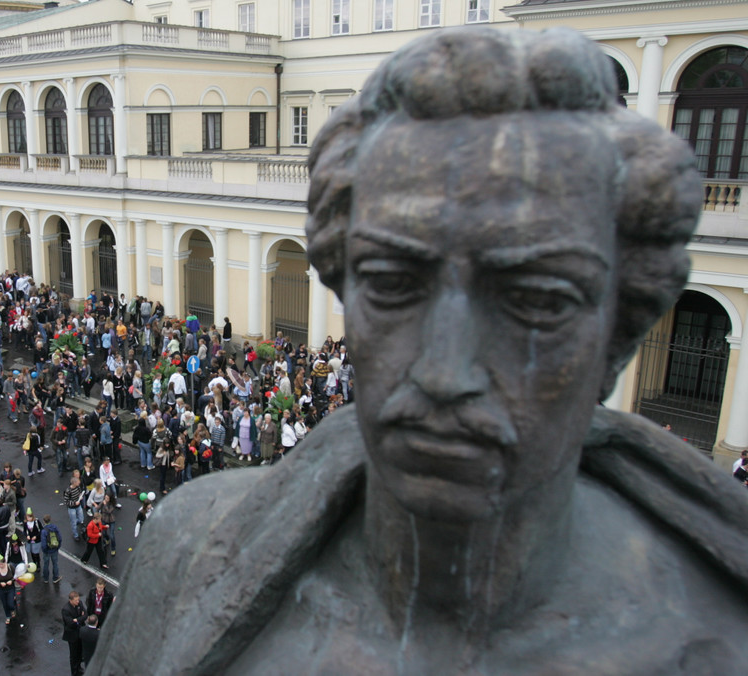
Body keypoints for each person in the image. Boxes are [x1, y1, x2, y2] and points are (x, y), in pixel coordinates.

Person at [88, 27, 748, 675]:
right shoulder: (185, 550)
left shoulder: (715, 629)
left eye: (538, 301)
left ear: (619, 334)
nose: (443, 373)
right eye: (392, 284)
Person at [62, 591, 86, 676]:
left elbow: (85, 615)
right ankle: (74, 672)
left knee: (79, 652)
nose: (78, 602)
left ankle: (79, 668)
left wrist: (77, 619)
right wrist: (80, 618)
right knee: (73, 655)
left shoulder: (80, 604)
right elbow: (70, 623)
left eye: (78, 600)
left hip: (80, 632)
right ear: (70, 600)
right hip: (72, 635)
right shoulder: (66, 609)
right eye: (76, 600)